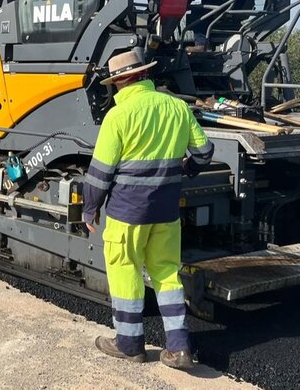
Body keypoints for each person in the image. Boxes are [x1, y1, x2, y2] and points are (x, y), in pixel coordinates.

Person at [82, 48, 214, 370]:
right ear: (145, 75)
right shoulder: (177, 107)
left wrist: (90, 209)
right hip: (167, 212)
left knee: (125, 270)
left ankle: (129, 344)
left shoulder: (118, 116)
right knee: (167, 274)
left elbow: (100, 174)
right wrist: (186, 168)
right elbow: (204, 152)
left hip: (128, 213)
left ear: (122, 81)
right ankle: (180, 348)